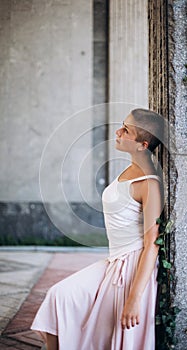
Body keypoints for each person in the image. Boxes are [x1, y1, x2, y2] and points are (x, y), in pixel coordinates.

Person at [31, 108, 164, 350]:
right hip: (114, 262)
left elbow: (152, 244)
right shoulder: (129, 170)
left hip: (132, 268)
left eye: (126, 130)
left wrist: (134, 298)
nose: (118, 131)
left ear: (142, 145)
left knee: (95, 323)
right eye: (122, 125)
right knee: (58, 297)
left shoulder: (148, 183)